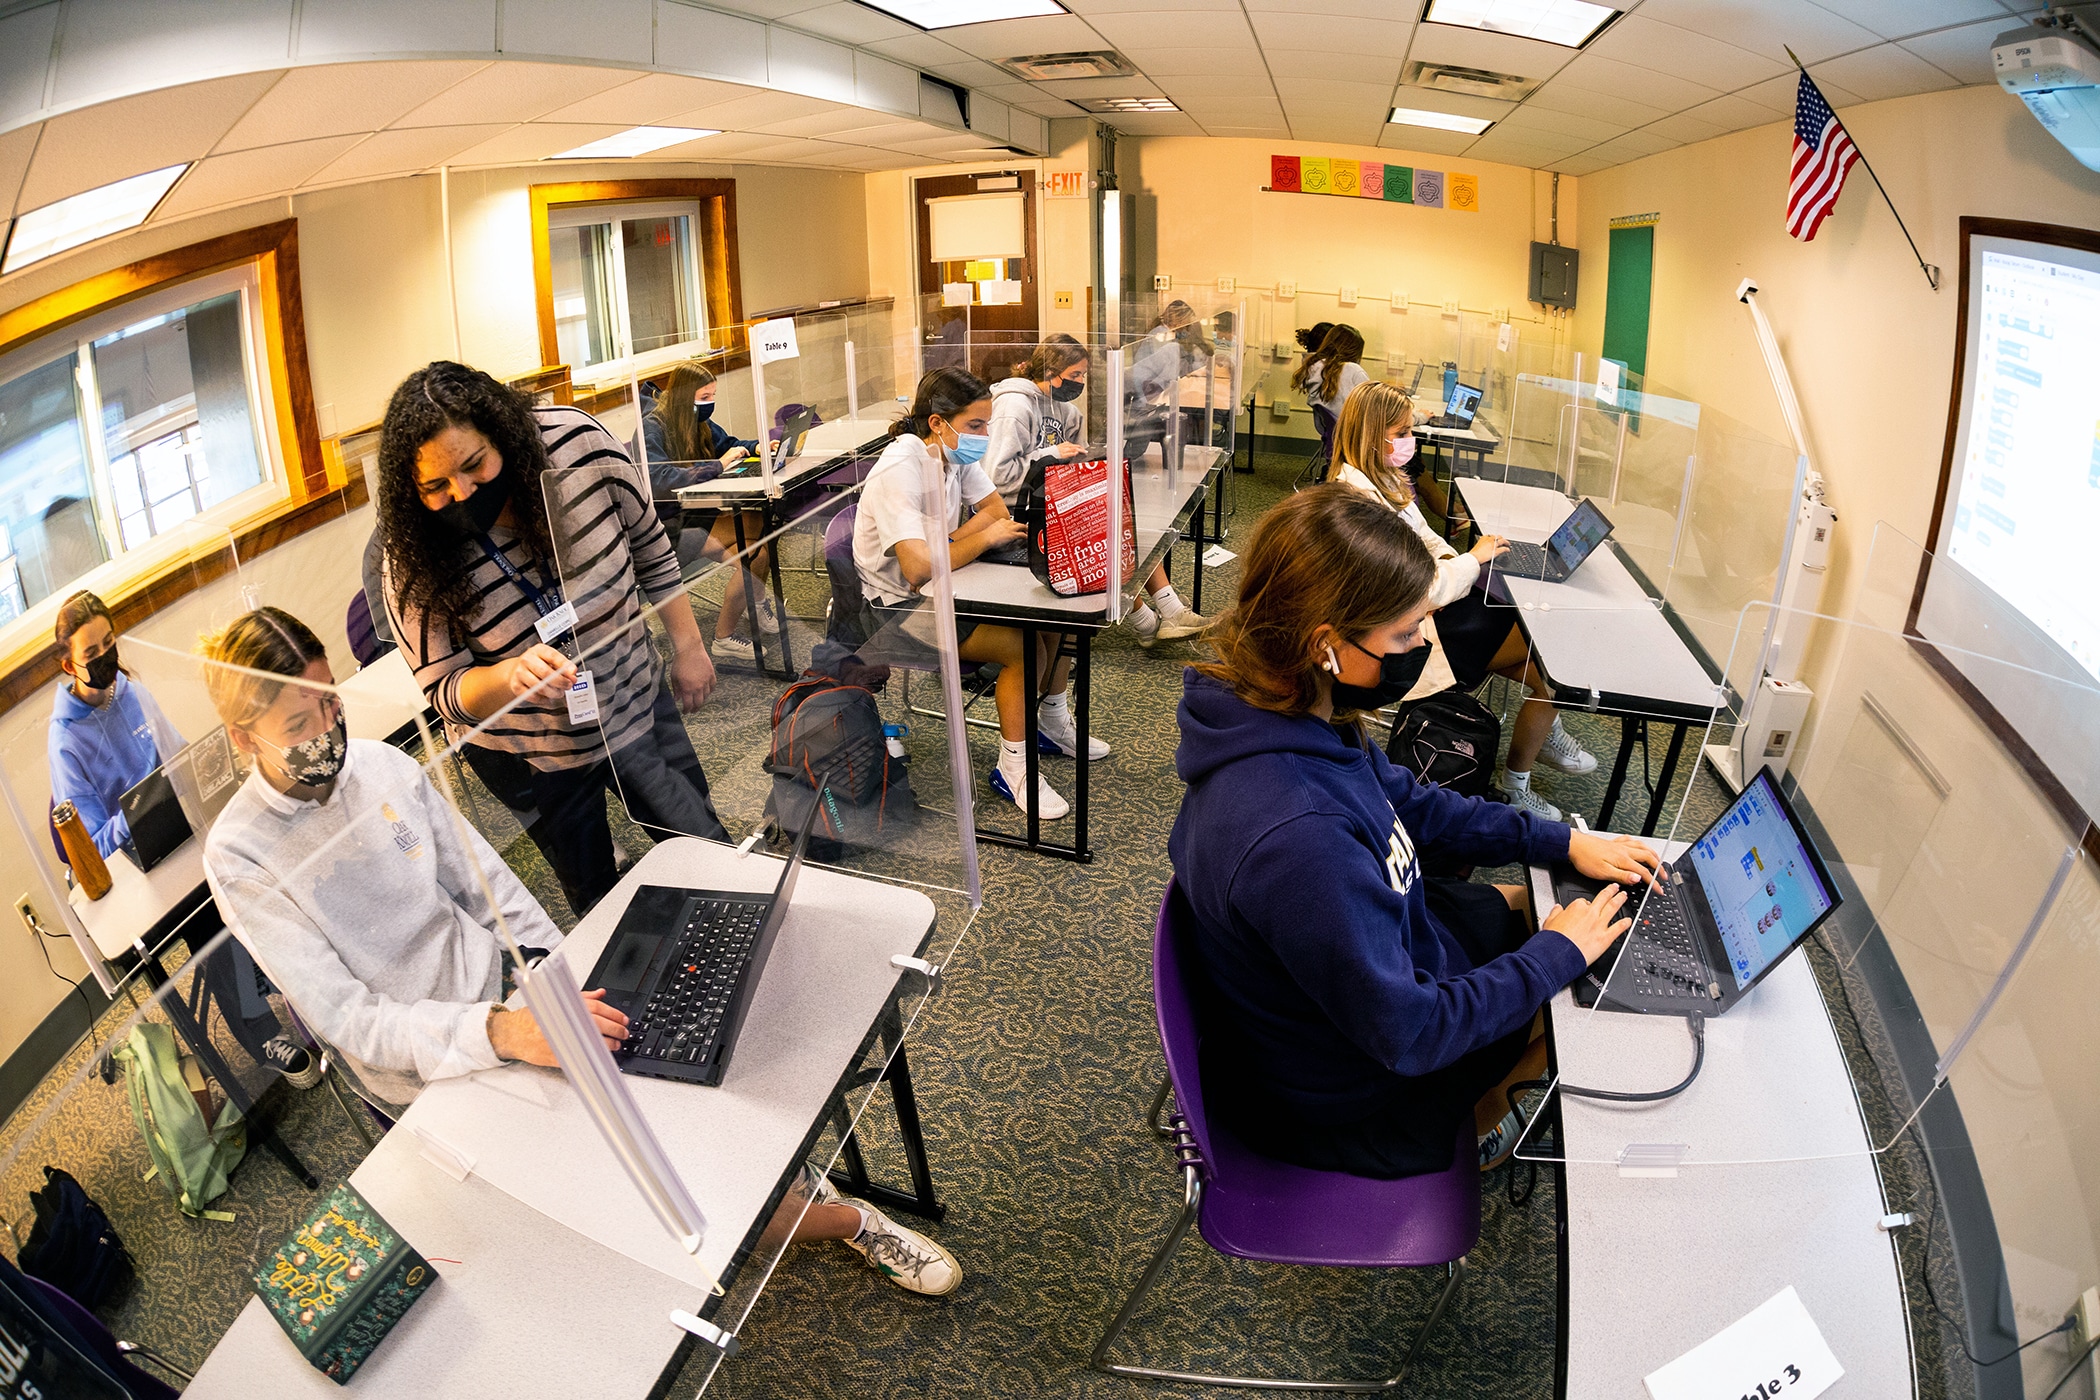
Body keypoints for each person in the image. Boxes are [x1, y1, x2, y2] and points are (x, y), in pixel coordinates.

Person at [197, 607, 957, 1293]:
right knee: (631, 1179)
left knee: (669, 1094)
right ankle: (850, 1221)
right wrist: (503, 1033)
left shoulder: (384, 766)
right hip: (424, 1064)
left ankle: (796, 1196)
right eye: (300, 719)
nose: (327, 726)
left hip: (505, 992)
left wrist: (554, 974)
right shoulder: (240, 854)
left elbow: (484, 882)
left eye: (329, 699)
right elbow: (348, 1019)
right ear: (242, 736)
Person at [1169, 487, 1666, 1177]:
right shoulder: (1298, 835)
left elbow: (1414, 804)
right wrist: (1555, 959)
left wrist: (1560, 843)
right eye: (1406, 635)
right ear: (1326, 645)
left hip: (1385, 951)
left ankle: (1543, 956)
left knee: (1559, 910)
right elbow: (1411, 1033)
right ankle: (1477, 1129)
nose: (1424, 645)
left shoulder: (1291, 707)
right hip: (1362, 1089)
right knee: (1592, 989)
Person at [377, 361, 727, 918]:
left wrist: (689, 646)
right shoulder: (410, 552)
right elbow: (442, 688)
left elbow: (650, 546)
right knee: (597, 898)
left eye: (474, 466)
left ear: (505, 435)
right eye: (435, 486)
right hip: (535, 751)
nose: (462, 492)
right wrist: (505, 678)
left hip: (633, 697)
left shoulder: (577, 444)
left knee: (705, 848)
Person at [49, 591, 320, 1089]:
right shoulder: (66, 741)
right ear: (69, 664)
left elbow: (180, 759)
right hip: (136, 872)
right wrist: (145, 805)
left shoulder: (129, 689)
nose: (108, 657)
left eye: (111, 642)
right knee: (210, 917)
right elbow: (92, 846)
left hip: (177, 832)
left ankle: (298, 979)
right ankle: (261, 1033)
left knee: (251, 860)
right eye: (93, 654)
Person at [1329, 382, 1598, 816]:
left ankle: (1524, 768)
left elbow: (1428, 540)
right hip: (1412, 631)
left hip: (1430, 610)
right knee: (1546, 655)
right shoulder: (1360, 501)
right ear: (1372, 433)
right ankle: (1520, 778)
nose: (1409, 441)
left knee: (1546, 673)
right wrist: (1471, 562)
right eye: (1401, 432)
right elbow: (1423, 589)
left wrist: (1463, 560)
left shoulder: (1381, 479)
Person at [853, 367, 1075, 819]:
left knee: (1057, 622)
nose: (985, 435)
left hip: (941, 586)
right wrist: (980, 539)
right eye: (976, 426)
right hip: (895, 607)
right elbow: (915, 569)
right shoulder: (901, 467)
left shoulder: (954, 454)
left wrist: (950, 543)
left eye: (987, 424)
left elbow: (997, 510)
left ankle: (1049, 725)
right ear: (938, 422)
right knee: (1022, 646)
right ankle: (1013, 769)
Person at [985, 335, 1210, 661]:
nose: (1080, 383)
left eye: (1083, 376)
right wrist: (1052, 453)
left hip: (1051, 504)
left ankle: (1166, 612)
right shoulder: (1014, 406)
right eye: (1075, 375)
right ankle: (1153, 622)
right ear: (1051, 370)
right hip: (1017, 513)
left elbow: (1071, 465)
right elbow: (998, 476)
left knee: (1125, 523)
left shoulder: (1067, 411)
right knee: (1105, 536)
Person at [638, 361, 775, 667]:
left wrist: (758, 447)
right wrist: (718, 466)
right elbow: (660, 480)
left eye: (712, 395)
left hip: (698, 514)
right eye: (704, 396)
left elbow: (728, 445)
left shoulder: (696, 418)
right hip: (669, 527)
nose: (709, 402)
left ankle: (755, 599)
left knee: (758, 534)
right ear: (683, 395)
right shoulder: (652, 426)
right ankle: (726, 635)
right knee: (755, 556)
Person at [1294, 323, 1369, 422]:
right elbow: (1372, 405)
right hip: (1353, 432)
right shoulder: (1353, 370)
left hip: (1333, 433)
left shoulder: (1314, 369)